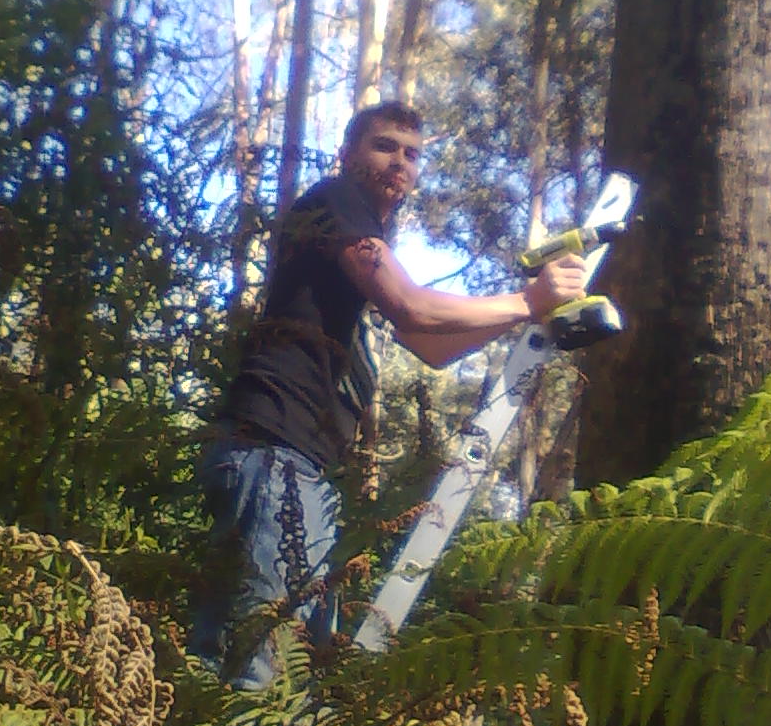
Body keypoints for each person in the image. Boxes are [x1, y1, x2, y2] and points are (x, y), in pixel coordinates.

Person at [191, 100, 589, 689]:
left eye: (412, 154)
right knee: (258, 667)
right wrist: (529, 301)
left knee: (268, 659)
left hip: (294, 463)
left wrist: (525, 314)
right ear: (347, 153)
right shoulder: (334, 200)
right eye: (384, 146)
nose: (399, 163)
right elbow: (411, 305)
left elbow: (429, 344)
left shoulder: (352, 241)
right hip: (274, 451)